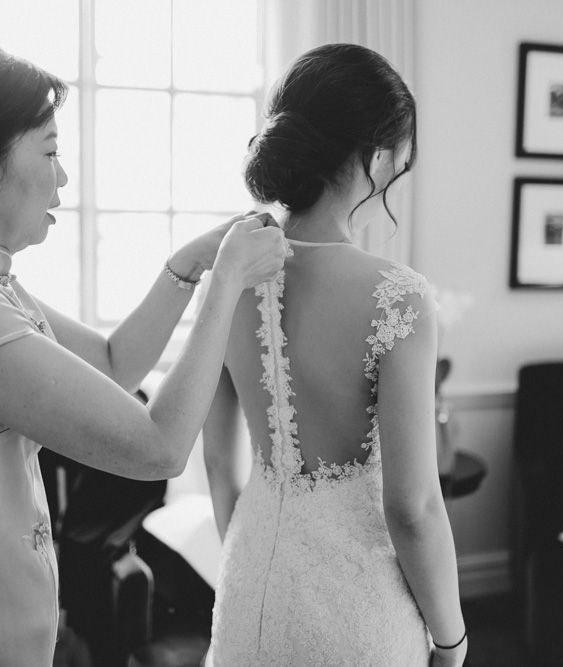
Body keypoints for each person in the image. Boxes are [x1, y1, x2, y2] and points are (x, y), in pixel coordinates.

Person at [0, 17, 286, 667]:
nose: (63, 179)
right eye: (47, 152)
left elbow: (110, 364)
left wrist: (187, 266)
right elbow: (156, 447)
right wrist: (228, 282)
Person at [203, 44, 466, 666]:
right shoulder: (397, 295)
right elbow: (414, 507)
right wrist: (451, 640)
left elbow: (217, 459)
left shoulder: (231, 268)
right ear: (377, 156)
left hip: (247, 587)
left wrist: (245, 554)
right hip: (357, 609)